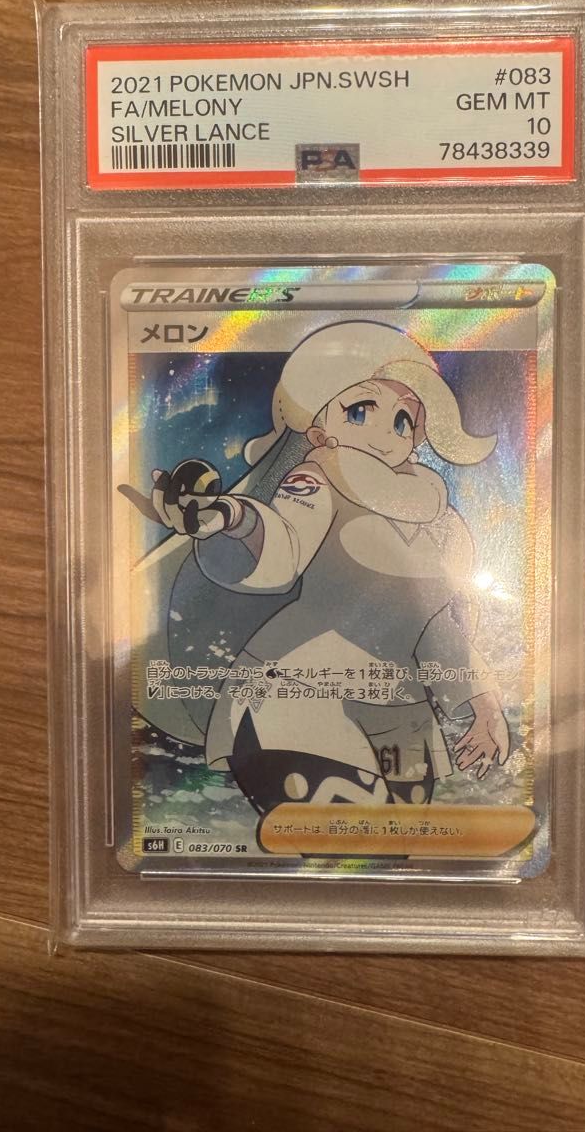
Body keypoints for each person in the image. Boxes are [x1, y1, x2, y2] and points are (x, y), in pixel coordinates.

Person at [129, 320, 509, 816]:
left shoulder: (434, 523)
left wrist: (483, 703)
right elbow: (280, 549)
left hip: (400, 712)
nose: (384, 433)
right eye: (360, 411)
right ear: (318, 428)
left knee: (400, 843)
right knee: (343, 836)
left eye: (402, 421)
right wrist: (228, 517)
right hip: (299, 694)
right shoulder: (314, 483)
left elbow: (435, 627)